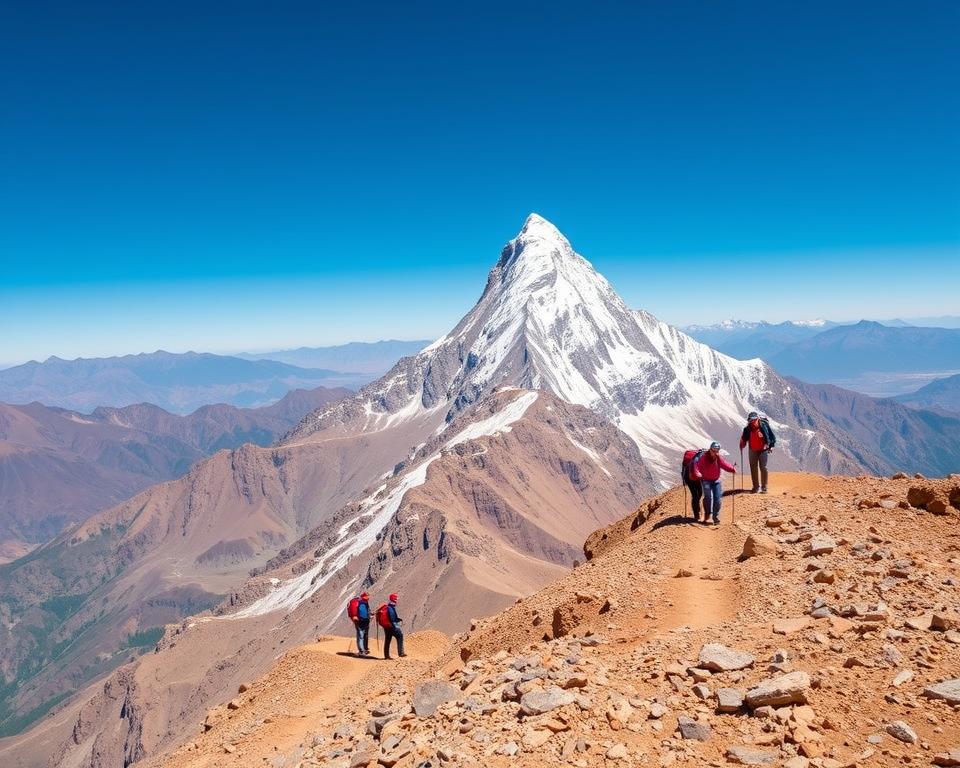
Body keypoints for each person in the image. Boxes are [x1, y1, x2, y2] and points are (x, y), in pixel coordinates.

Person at [689, 441, 736, 525]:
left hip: (716, 481)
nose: (714, 452)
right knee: (708, 497)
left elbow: (724, 464)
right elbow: (697, 466)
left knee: (717, 499)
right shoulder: (704, 458)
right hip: (706, 480)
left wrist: (731, 469)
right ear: (710, 449)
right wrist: (698, 473)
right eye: (713, 450)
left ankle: (716, 518)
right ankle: (707, 515)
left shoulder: (718, 457)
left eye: (716, 451)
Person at [739, 411, 776, 494]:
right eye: (751, 420)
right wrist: (742, 445)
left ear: (758, 419)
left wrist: (771, 446)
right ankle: (756, 487)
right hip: (752, 449)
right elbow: (744, 439)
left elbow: (771, 436)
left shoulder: (764, 425)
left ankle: (764, 487)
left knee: (763, 467)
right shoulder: (747, 429)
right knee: (753, 468)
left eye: (754, 419)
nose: (752, 421)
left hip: (763, 449)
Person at [377, 593, 406, 659]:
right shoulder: (391, 608)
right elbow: (392, 618)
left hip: (386, 627)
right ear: (394, 599)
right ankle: (401, 653)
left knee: (387, 640)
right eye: (396, 599)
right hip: (392, 626)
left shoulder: (387, 607)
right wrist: (396, 622)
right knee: (400, 636)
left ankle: (386, 656)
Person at [681, 449, 706, 521]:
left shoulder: (698, 459)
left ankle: (696, 512)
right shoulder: (702, 461)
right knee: (697, 494)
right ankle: (696, 514)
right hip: (691, 477)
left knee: (697, 494)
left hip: (689, 477)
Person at [351, 591, 371, 656]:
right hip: (366, 621)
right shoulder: (365, 603)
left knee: (360, 636)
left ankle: (361, 651)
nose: (368, 598)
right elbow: (367, 612)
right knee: (364, 635)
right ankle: (364, 650)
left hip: (359, 621)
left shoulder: (360, 602)